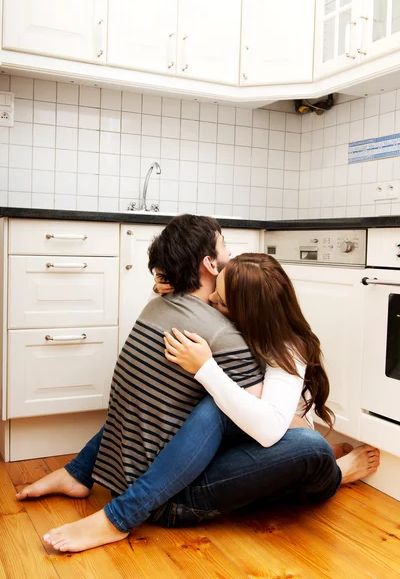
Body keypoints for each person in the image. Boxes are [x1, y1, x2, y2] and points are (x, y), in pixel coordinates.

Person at [17, 218, 380, 553]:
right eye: (214, 295)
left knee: (309, 447)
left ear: (246, 310)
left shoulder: (276, 346)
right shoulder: (217, 323)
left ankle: (337, 474)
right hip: (201, 467)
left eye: (219, 301)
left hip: (268, 433)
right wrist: (166, 284)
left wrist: (207, 368)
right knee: (202, 404)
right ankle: (86, 478)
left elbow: (271, 428)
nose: (212, 301)